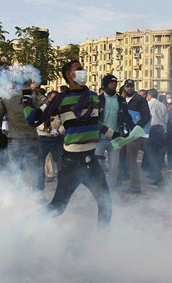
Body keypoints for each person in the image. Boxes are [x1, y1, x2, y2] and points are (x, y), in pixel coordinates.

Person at [23, 60, 118, 229]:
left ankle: (102, 245)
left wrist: (117, 135)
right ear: (69, 75)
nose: (84, 71)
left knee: (106, 204)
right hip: (71, 164)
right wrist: (26, 96)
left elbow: (97, 124)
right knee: (57, 208)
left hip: (92, 163)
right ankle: (24, 226)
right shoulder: (60, 100)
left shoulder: (94, 97)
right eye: (79, 69)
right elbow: (32, 118)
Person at [0, 84, 42, 190]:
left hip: (14, 138)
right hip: (31, 137)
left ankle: (18, 193)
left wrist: (8, 128)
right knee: (35, 168)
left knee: (16, 168)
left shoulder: (6, 99)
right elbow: (44, 111)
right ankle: (37, 193)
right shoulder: (32, 97)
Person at [95, 74, 133, 190]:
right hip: (99, 138)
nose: (114, 85)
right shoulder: (98, 100)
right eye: (111, 83)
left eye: (115, 83)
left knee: (114, 166)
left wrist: (134, 129)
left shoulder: (121, 100)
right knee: (98, 165)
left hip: (115, 139)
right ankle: (100, 187)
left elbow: (127, 117)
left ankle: (110, 189)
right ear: (105, 85)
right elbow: (94, 119)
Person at [123, 79, 151, 194]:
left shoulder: (140, 100)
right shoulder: (122, 100)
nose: (129, 88)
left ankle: (135, 187)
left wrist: (136, 129)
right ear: (124, 87)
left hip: (134, 135)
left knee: (131, 161)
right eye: (128, 86)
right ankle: (118, 183)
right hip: (122, 134)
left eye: (131, 86)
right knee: (120, 161)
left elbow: (146, 117)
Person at [36, 90, 64, 188]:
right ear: (48, 98)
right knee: (39, 163)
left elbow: (64, 124)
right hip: (43, 139)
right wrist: (44, 128)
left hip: (56, 139)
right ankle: (39, 186)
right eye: (53, 99)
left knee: (61, 162)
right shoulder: (42, 109)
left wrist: (59, 131)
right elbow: (36, 122)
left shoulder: (60, 110)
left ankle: (62, 185)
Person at [146, 88, 168, 186]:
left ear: (149, 95)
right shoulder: (163, 105)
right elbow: (166, 119)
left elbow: (147, 117)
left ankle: (157, 176)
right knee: (158, 154)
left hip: (153, 130)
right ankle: (155, 173)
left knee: (151, 154)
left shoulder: (150, 103)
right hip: (161, 130)